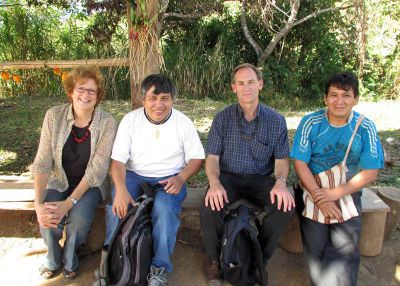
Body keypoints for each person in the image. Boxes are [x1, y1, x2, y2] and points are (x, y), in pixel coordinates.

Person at [101, 74, 205, 286]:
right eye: (153, 98)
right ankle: (109, 262)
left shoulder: (182, 122)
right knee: (117, 207)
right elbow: (118, 162)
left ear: (173, 100)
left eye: (165, 98)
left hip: (169, 178)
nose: (159, 104)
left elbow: (197, 158)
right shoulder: (130, 120)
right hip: (135, 175)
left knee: (164, 209)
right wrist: (120, 190)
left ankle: (159, 268)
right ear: (143, 99)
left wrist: (181, 177)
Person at [200, 63, 295, 286]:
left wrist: (281, 183)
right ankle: (214, 259)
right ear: (234, 88)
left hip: (261, 179)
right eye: (240, 83)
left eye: (251, 82)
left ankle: (258, 257)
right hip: (228, 178)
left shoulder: (276, 120)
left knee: (285, 207)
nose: (246, 87)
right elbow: (212, 159)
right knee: (209, 205)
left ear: (260, 84)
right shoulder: (222, 118)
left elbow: (282, 161)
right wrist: (214, 183)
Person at [290, 72, 384, 286]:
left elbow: (371, 171)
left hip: (347, 191)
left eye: (346, 95)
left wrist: (334, 194)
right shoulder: (310, 123)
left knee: (346, 248)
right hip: (311, 188)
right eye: (333, 95)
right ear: (325, 98)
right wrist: (319, 196)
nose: (339, 101)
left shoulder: (365, 127)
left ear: (356, 99)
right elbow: (300, 164)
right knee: (316, 247)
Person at [30, 65, 117, 279]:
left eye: (92, 91)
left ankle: (70, 258)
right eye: (81, 89)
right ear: (71, 91)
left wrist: (69, 203)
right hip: (59, 179)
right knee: (48, 213)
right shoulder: (54, 116)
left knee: (78, 220)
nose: (85, 95)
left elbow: (97, 170)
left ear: (98, 96)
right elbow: (42, 162)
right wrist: (37, 202)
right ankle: (52, 257)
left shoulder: (107, 123)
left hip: (90, 185)